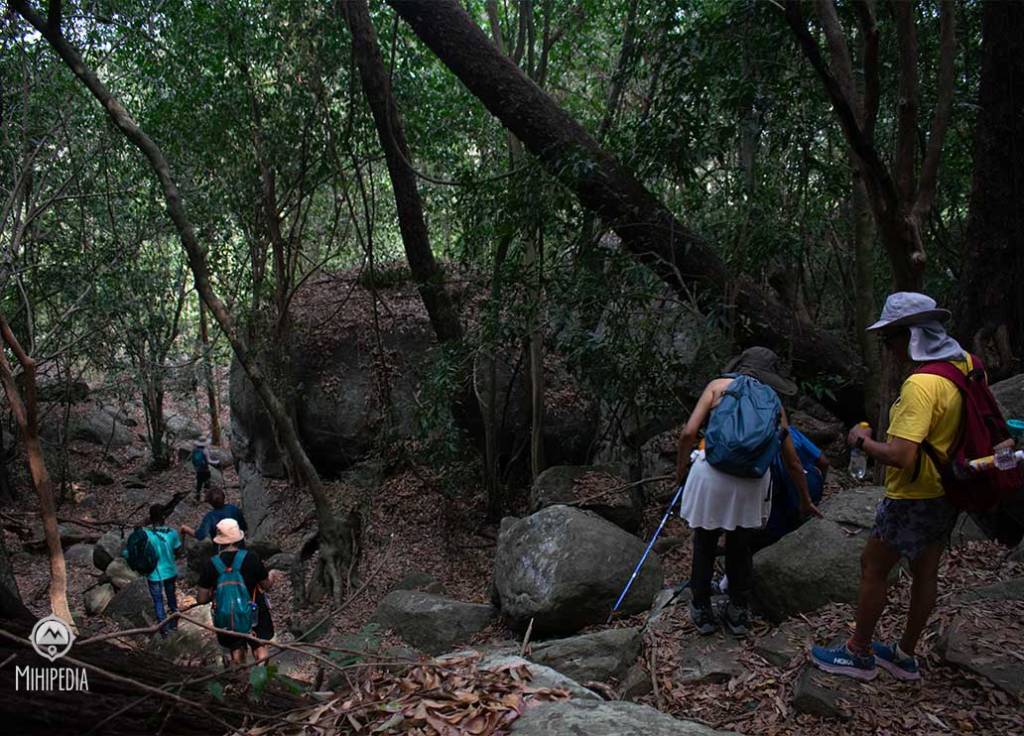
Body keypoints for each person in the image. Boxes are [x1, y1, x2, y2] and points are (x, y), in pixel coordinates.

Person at [810, 292, 979, 682]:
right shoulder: (965, 364)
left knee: (873, 567)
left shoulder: (922, 384)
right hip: (947, 489)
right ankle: (905, 655)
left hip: (912, 495)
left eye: (889, 339)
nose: (887, 349)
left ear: (912, 335)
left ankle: (858, 653)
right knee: (925, 572)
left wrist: (861, 442)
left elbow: (901, 455)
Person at [675, 347, 821, 637]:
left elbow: (688, 433)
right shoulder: (773, 400)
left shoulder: (718, 386)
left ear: (741, 365)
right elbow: (792, 461)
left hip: (711, 473)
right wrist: (805, 500)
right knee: (740, 544)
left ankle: (702, 609)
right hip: (751, 480)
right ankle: (738, 612)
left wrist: (681, 471)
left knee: (705, 541)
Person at [196, 518, 279, 664]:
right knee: (259, 645)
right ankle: (262, 674)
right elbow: (266, 585)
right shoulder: (251, 557)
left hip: (227, 616)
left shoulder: (211, 564)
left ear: (219, 541)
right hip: (255, 612)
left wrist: (214, 594)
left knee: (235, 649)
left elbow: (201, 599)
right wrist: (272, 575)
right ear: (238, 538)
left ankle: (240, 675)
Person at [125, 504, 182, 638]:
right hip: (170, 571)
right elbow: (178, 551)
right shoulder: (172, 533)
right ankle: (174, 624)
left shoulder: (145, 534)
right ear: (164, 517)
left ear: (150, 518)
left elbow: (133, 542)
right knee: (171, 597)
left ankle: (164, 630)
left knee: (158, 601)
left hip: (154, 573)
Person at [180, 487, 247, 541]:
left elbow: (200, 535)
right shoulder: (234, 509)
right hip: (239, 546)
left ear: (210, 502)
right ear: (224, 497)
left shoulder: (210, 517)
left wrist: (186, 529)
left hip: (221, 550)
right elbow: (243, 528)